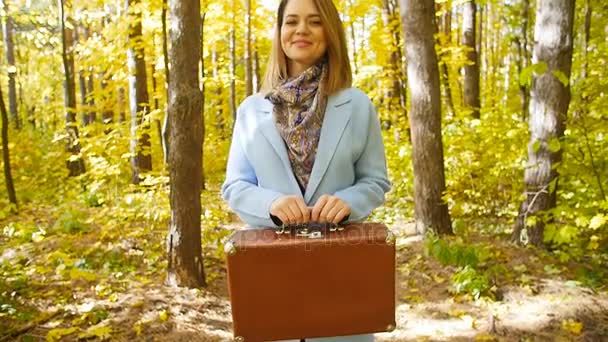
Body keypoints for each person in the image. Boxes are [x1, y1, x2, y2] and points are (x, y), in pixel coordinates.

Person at [221, 0, 391, 340]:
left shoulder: (357, 105)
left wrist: (349, 202)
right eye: (292, 21)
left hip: (340, 277)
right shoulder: (251, 110)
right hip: (271, 278)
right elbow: (234, 187)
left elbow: (375, 181)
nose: (301, 30)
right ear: (280, 32)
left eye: (314, 22)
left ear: (330, 33)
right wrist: (270, 205)